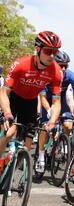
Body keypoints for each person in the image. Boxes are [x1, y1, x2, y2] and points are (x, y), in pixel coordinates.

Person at [0, 31, 63, 159]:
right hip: (14, 98)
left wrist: (52, 123)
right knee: (9, 133)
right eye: (48, 51)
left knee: (28, 142)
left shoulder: (56, 71)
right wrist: (7, 113)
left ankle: (19, 166)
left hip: (31, 101)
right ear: (38, 49)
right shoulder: (21, 64)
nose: (51, 56)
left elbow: (56, 103)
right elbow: (4, 92)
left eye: (55, 52)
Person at [35, 50, 74, 174]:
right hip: (48, 102)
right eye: (60, 65)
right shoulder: (45, 74)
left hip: (61, 102)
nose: (63, 68)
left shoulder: (70, 76)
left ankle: (63, 143)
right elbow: (43, 98)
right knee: (46, 128)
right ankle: (41, 156)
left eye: (65, 66)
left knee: (68, 125)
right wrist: (48, 110)